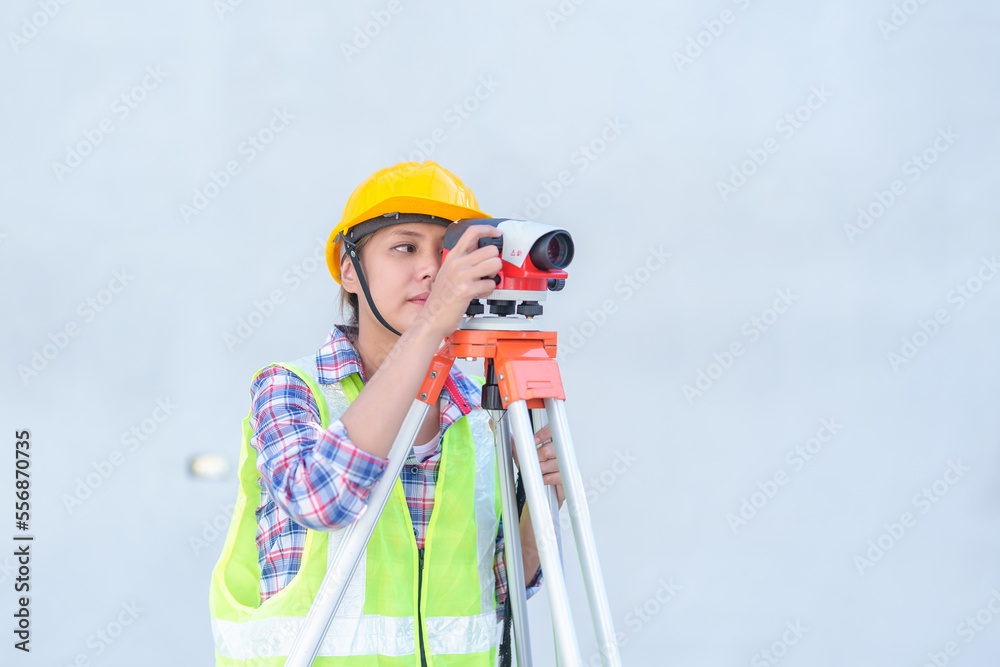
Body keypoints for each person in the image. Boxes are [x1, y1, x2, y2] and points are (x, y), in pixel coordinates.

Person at [209, 160, 566, 665]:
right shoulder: (293, 388)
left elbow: (502, 596)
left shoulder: (480, 410)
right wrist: (431, 325)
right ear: (351, 270)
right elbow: (320, 500)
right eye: (405, 247)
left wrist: (542, 503)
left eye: (447, 251)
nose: (430, 268)